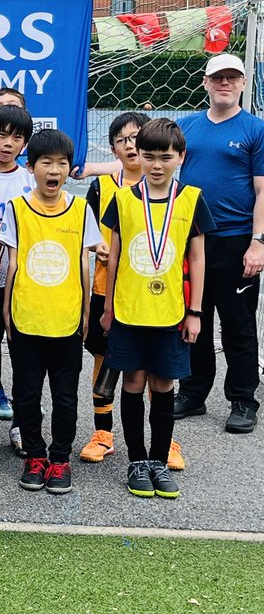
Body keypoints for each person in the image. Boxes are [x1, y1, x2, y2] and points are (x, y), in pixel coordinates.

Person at [102, 118, 213, 498]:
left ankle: (159, 462)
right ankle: (136, 460)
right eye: (148, 156)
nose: (156, 165)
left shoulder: (192, 199)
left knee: (163, 384)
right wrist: (107, 308)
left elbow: (196, 259)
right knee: (133, 383)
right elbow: (113, 257)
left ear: (180, 157)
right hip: (129, 311)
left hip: (170, 313)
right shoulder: (123, 199)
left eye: (165, 157)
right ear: (138, 157)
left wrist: (194, 312)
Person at [1, 130, 101, 495]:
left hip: (67, 320)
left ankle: (60, 458)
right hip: (27, 318)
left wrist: (87, 312)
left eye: (61, 163)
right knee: (26, 394)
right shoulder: (16, 208)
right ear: (31, 167)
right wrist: (8, 313)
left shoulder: (80, 209)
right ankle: (35, 455)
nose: (53, 170)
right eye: (46, 162)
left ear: (69, 168)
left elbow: (84, 264)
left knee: (65, 396)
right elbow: (12, 264)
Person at [175, 53, 264, 434]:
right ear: (206, 83)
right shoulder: (187, 126)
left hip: (236, 241)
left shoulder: (255, 130)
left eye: (232, 77)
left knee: (238, 325)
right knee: (194, 318)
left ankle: (243, 399)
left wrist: (258, 242)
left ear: (243, 83)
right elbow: (151, 161)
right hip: (193, 240)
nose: (224, 83)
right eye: (217, 77)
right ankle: (193, 393)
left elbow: (263, 191)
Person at [81, 112, 150, 464]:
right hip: (106, 288)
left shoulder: (167, 186)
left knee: (154, 364)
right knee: (102, 357)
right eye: (123, 140)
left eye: (137, 136)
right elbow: (87, 232)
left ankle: (163, 439)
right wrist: (97, 247)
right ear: (113, 149)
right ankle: (103, 432)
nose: (131, 144)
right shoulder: (102, 187)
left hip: (152, 293)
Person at [0, 104, 36, 426]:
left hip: (21, 278)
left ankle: (24, 396)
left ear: (25, 144)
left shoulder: (30, 180)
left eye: (17, 137)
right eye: (2, 134)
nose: (8, 143)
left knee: (20, 339)